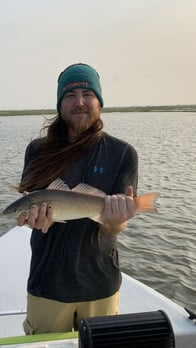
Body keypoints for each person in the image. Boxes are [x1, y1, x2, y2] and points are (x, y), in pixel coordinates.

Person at [17, 63, 138, 334]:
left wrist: (116, 220)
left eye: (87, 93)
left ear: (99, 101)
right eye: (70, 95)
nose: (80, 102)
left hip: (100, 283)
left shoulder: (122, 153)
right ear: (60, 103)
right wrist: (35, 221)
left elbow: (118, 226)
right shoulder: (38, 150)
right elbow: (30, 209)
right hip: (47, 283)